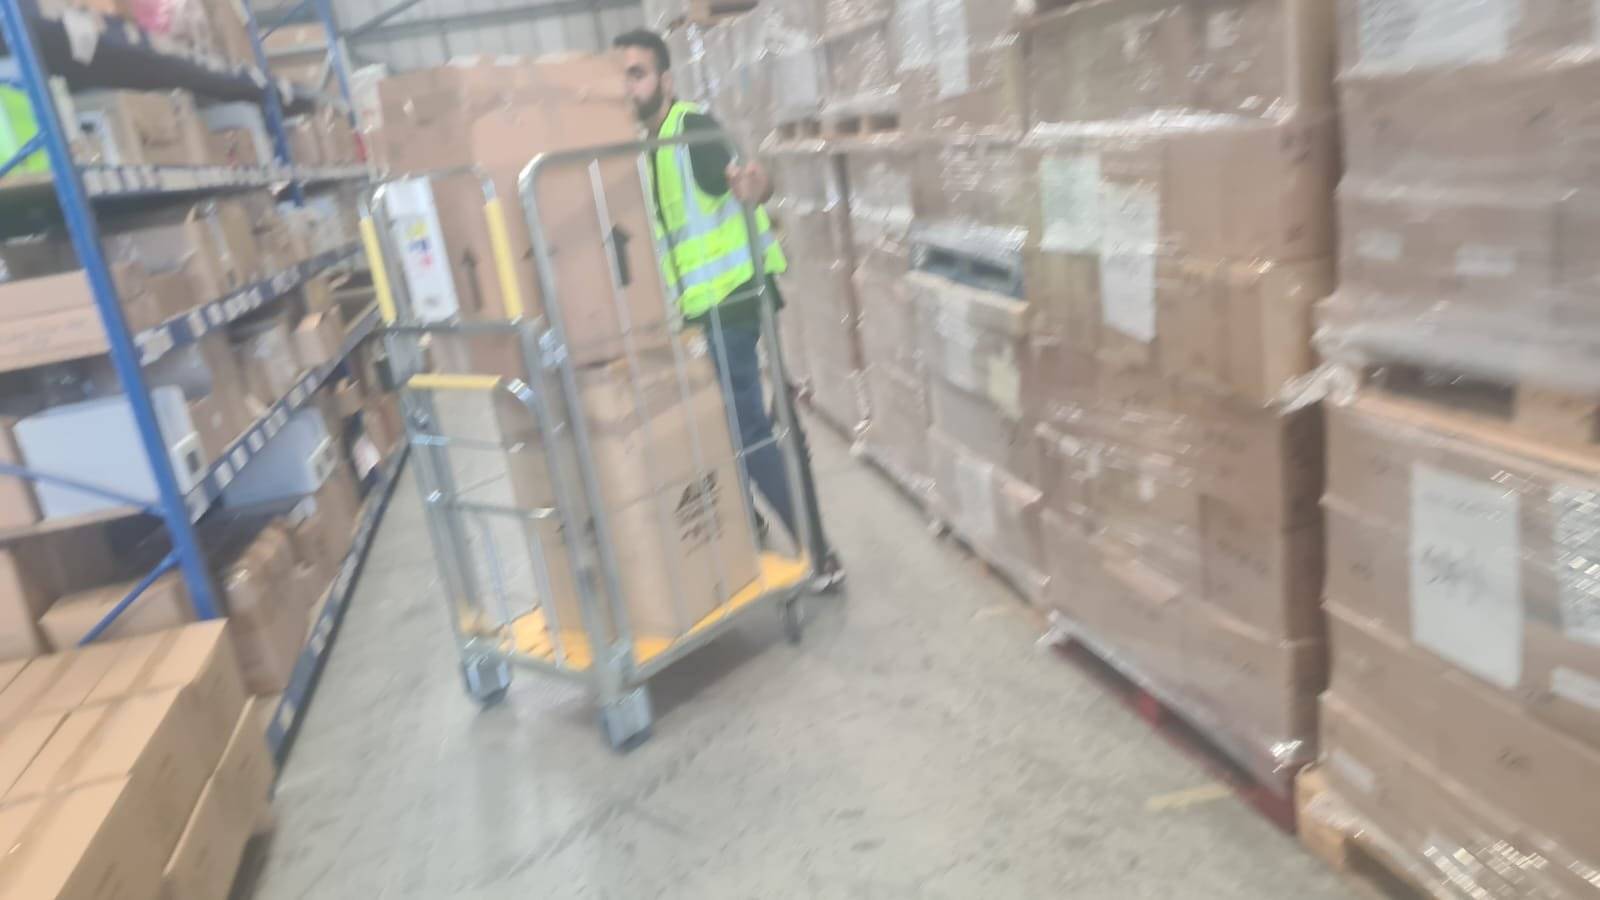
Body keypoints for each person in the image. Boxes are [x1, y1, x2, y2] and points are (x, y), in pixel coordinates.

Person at [613, 28, 844, 591]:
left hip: (734, 300)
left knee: (746, 427)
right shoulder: (650, 146)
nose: (627, 86)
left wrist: (756, 184)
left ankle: (819, 554)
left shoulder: (690, 129)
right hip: (705, 308)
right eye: (621, 76)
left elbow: (747, 181)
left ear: (665, 81)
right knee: (721, 425)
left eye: (637, 73)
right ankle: (749, 527)